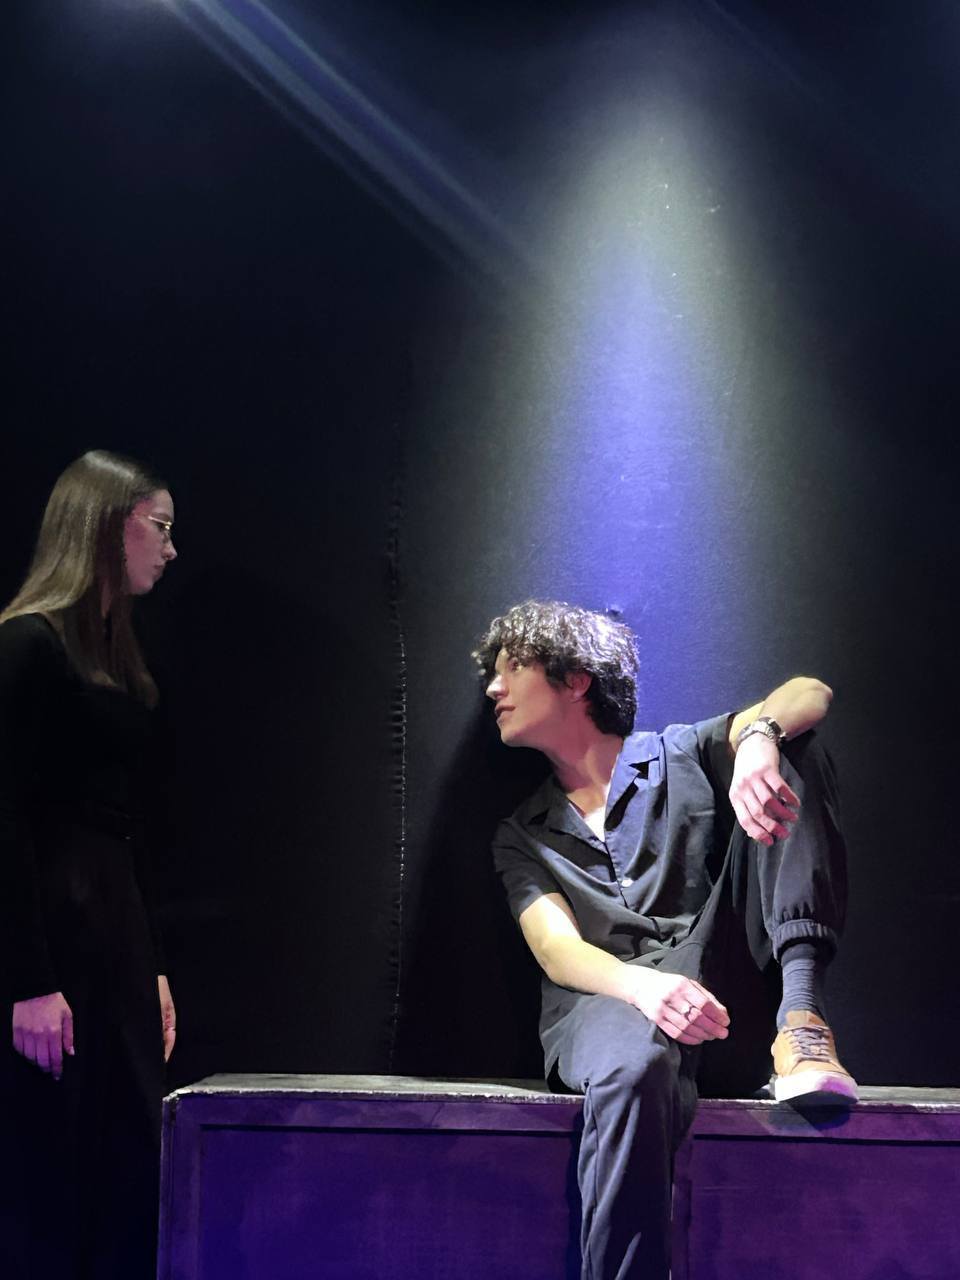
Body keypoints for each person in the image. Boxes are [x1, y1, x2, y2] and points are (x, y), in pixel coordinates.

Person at [473, 600, 855, 1280]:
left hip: (721, 993)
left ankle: (802, 1021)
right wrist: (644, 988)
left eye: (513, 668)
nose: (494, 689)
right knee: (632, 1066)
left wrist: (759, 738)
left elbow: (810, 692)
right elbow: (558, 949)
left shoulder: (681, 753)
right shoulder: (522, 833)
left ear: (575, 679)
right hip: (607, 1000)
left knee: (791, 745)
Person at [0, 450, 178, 1280]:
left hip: (116, 931)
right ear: (108, 526)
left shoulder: (118, 663)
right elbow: (5, 817)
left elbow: (130, 831)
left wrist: (154, 966)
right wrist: (28, 981)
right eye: (159, 527)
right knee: (53, 1163)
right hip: (57, 933)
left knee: (128, 1155)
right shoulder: (25, 647)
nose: (170, 550)